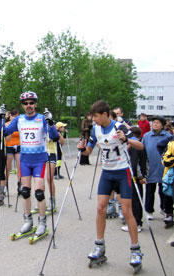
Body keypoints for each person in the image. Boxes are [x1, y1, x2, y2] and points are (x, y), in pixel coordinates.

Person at [77, 100, 144, 269]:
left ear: (105, 115)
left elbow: (140, 145)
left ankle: (136, 249)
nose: (94, 120)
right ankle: (99, 246)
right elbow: (88, 151)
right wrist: (81, 149)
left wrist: (127, 140)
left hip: (123, 172)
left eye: (97, 117)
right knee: (100, 208)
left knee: (127, 211)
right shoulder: (95, 129)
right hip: (107, 172)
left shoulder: (120, 127)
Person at [2, 91, 59, 238]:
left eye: (31, 103)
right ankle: (28, 221)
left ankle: (42, 223)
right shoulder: (19, 120)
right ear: (22, 105)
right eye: (26, 103)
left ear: (36, 104)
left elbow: (54, 137)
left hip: (39, 160)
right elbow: (5, 132)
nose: (29, 105)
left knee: (39, 193)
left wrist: (51, 123)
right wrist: (2, 118)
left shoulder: (42, 118)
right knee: (25, 191)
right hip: (25, 160)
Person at [142, 115, 172, 220]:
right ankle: (149, 211)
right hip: (150, 167)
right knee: (150, 190)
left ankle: (164, 209)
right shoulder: (146, 136)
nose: (155, 124)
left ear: (163, 125)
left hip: (163, 168)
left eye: (157, 123)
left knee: (163, 190)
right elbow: (142, 150)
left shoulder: (168, 136)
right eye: (154, 122)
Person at [121, 127, 147, 233]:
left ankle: (137, 223)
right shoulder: (133, 145)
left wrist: (140, 177)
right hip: (132, 176)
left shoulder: (135, 146)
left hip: (134, 177)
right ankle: (133, 222)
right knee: (131, 200)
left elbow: (136, 163)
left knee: (135, 200)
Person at [5, 109, 21, 198]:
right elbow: (7, 136)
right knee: (8, 167)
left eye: (16, 116)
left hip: (18, 146)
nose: (15, 118)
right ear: (10, 116)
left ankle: (20, 185)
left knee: (19, 167)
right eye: (13, 116)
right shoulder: (7, 124)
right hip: (9, 146)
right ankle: (4, 185)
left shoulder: (20, 125)